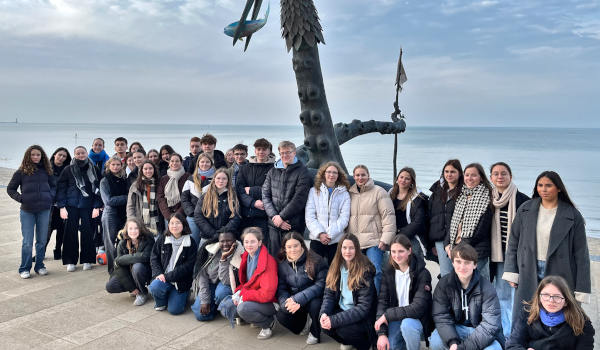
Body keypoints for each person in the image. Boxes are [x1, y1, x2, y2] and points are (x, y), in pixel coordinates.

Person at [503, 171, 591, 323]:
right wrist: (511, 271)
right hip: (528, 268)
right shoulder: (525, 209)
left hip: (561, 271)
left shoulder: (573, 215)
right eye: (540, 185)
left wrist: (581, 289)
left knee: (557, 315)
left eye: (548, 185)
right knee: (526, 314)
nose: (543, 189)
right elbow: (513, 242)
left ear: (558, 188)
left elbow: (581, 255)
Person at [429, 243, 504, 350]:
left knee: (495, 349)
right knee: (435, 341)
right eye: (458, 262)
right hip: (456, 328)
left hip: (479, 331)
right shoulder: (444, 285)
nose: (462, 267)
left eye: (467, 263)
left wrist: (463, 348)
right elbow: (441, 316)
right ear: (453, 263)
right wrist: (452, 342)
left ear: (475, 265)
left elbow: (489, 325)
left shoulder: (487, 288)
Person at [488, 162, 529, 338]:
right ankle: (506, 333)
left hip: (517, 256)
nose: (500, 177)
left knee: (517, 297)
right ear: (491, 178)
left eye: (503, 173)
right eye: (496, 174)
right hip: (496, 256)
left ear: (510, 176)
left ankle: (515, 333)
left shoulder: (523, 201)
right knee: (501, 295)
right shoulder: (488, 200)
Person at [319, 233, 377, 350]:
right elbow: (329, 295)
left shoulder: (364, 271)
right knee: (325, 325)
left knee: (343, 330)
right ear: (340, 249)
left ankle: (365, 345)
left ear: (357, 249)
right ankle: (348, 342)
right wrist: (324, 313)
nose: (347, 251)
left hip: (362, 317)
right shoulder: (336, 267)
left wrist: (334, 320)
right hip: (343, 310)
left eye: (351, 248)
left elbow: (363, 308)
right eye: (344, 248)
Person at [375, 234, 433, 350]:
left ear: (409, 251)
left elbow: (418, 307)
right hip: (396, 318)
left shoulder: (422, 273)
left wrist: (387, 315)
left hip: (416, 319)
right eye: (393, 251)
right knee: (389, 345)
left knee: (407, 325)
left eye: (401, 251)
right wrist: (382, 334)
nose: (396, 255)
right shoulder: (388, 272)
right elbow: (382, 302)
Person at [506, 275, 595, 350]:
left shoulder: (581, 321)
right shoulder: (527, 313)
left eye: (557, 297)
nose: (551, 301)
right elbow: (512, 345)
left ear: (566, 301)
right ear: (539, 296)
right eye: (546, 295)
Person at [7, 145, 55, 279]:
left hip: (44, 210)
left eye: (38, 155)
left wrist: (50, 197)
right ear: (28, 156)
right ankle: (24, 268)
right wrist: (21, 198)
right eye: (33, 154)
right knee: (27, 242)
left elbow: (54, 186)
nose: (35, 157)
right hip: (27, 211)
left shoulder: (47, 171)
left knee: (41, 241)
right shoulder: (21, 172)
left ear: (42, 156)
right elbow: (11, 189)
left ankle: (39, 266)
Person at [347, 164, 396, 293]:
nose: (360, 177)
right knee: (356, 274)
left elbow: (388, 216)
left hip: (374, 241)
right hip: (355, 243)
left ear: (368, 175)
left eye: (363, 174)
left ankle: (377, 304)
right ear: (354, 176)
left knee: (376, 272)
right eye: (357, 175)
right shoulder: (350, 194)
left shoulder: (379, 192)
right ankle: (360, 304)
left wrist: (385, 239)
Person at [276, 232, 328, 345]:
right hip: (295, 300)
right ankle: (303, 325)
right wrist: (285, 302)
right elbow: (281, 288)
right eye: (289, 247)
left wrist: (298, 298)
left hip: (312, 298)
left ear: (302, 245)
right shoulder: (283, 265)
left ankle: (315, 331)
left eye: (296, 245)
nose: (293, 249)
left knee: (315, 304)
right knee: (281, 314)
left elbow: (321, 285)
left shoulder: (316, 260)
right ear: (284, 249)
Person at [56, 146, 102, 272]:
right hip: (71, 206)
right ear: (74, 155)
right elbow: (61, 189)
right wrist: (62, 207)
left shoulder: (94, 169)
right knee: (70, 233)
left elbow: (98, 189)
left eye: (83, 153)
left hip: (88, 206)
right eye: (78, 153)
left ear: (87, 154)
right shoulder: (68, 169)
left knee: (88, 233)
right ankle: (71, 261)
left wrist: (97, 206)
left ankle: (87, 259)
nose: (81, 155)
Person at [262, 141, 312, 255]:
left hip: (292, 225)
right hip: (274, 225)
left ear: (294, 153)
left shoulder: (303, 172)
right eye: (282, 153)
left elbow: (299, 198)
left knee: (292, 260)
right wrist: (275, 217)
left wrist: (282, 217)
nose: (285, 155)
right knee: (275, 259)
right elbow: (265, 195)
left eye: (288, 152)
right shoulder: (272, 171)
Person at [445, 163, 493, 281]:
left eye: (473, 175)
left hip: (476, 250)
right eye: (467, 175)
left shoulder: (487, 195)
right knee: (461, 283)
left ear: (481, 177)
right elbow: (453, 224)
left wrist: (459, 248)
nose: (469, 178)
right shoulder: (462, 195)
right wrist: (448, 244)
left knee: (476, 283)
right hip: (457, 247)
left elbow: (482, 230)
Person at [232, 227, 278, 339]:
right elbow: (247, 284)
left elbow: (267, 294)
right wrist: (238, 293)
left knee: (243, 309)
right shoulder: (247, 256)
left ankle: (267, 324)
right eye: (246, 242)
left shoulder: (268, 261)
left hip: (271, 302)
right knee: (227, 305)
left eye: (253, 241)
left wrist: (244, 296)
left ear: (260, 242)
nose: (249, 245)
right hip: (255, 297)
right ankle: (254, 317)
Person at [149, 212, 198, 315]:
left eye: (178, 223)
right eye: (172, 223)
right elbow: (154, 257)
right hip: (163, 278)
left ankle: (182, 294)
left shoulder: (191, 243)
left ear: (184, 224)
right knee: (154, 286)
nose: (174, 226)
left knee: (175, 310)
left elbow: (188, 267)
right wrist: (158, 273)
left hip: (180, 281)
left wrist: (167, 276)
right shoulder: (162, 239)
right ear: (168, 225)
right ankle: (161, 303)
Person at [190, 231, 244, 321]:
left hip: (226, 286)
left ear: (235, 241)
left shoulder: (240, 254)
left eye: (229, 241)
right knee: (201, 316)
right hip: (209, 284)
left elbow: (226, 281)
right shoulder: (210, 251)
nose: (225, 244)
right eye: (222, 241)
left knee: (221, 293)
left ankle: (223, 307)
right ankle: (215, 308)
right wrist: (204, 301)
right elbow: (202, 276)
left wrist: (224, 259)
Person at [305, 161, 351, 264]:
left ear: (338, 175)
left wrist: (330, 235)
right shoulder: (313, 191)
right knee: (315, 271)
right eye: (329, 172)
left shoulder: (344, 194)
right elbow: (310, 216)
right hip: (317, 239)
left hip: (336, 241)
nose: (331, 175)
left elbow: (344, 218)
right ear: (323, 174)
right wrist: (320, 233)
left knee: (334, 272)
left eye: (335, 172)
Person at [105, 218, 154, 306]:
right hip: (130, 273)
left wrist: (121, 259)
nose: (133, 231)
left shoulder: (148, 239)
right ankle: (135, 289)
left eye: (136, 228)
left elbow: (145, 256)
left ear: (140, 229)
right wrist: (131, 287)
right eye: (130, 228)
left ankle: (142, 293)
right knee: (110, 286)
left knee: (137, 267)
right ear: (126, 230)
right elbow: (119, 267)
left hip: (146, 272)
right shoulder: (122, 243)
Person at [428, 159, 463, 277]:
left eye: (453, 172)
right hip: (440, 239)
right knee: (445, 273)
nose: (449, 174)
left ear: (459, 173)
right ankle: (447, 295)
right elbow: (431, 216)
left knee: (460, 272)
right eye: (446, 171)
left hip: (458, 239)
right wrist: (431, 243)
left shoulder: (464, 191)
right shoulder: (437, 190)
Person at [235, 138, 275, 235]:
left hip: (264, 214)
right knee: (246, 245)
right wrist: (252, 203)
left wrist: (252, 190)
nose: (261, 152)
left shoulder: (274, 169)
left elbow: (273, 190)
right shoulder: (245, 168)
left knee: (262, 245)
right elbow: (239, 190)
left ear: (269, 151)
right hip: (245, 214)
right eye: (258, 149)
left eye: (264, 149)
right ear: (255, 150)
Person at [390, 167, 428, 261]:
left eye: (407, 178)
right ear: (397, 179)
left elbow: (418, 222)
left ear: (412, 182)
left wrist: (401, 234)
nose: (403, 180)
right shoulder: (390, 194)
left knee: (415, 265)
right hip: (393, 235)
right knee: (394, 265)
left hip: (411, 236)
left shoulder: (418, 198)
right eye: (401, 177)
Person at [194, 169, 241, 245]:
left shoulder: (233, 197)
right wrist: (213, 234)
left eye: (224, 178)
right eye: (218, 178)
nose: (221, 181)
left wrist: (223, 233)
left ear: (228, 180)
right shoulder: (205, 197)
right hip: (207, 237)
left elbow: (236, 217)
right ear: (214, 179)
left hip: (226, 239)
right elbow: (198, 216)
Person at [99, 156, 129, 274]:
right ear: (108, 166)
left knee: (123, 242)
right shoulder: (104, 181)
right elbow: (108, 201)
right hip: (110, 215)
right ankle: (113, 271)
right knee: (110, 243)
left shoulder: (124, 179)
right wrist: (126, 198)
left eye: (118, 165)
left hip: (123, 214)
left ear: (121, 166)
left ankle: (124, 267)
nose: (115, 167)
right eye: (113, 165)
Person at [182, 153, 215, 244]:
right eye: (202, 162)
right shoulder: (191, 179)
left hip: (209, 217)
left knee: (206, 244)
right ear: (198, 163)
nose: (204, 164)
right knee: (193, 243)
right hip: (193, 217)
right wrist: (191, 212)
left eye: (207, 162)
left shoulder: (216, 179)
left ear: (211, 163)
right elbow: (184, 198)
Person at [46, 147, 71, 260]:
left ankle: (57, 251)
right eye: (59, 155)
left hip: (63, 205)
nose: (61, 158)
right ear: (54, 154)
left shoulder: (68, 169)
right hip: (49, 204)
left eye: (64, 156)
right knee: (46, 230)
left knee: (62, 230)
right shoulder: (46, 168)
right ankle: (41, 252)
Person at [127, 160, 160, 236]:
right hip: (140, 222)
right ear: (141, 170)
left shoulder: (159, 183)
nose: (148, 171)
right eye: (145, 169)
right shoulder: (135, 186)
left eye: (150, 168)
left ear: (154, 170)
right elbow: (130, 206)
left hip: (157, 220)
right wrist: (131, 221)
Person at [157, 153, 190, 225]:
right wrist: (168, 215)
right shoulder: (164, 178)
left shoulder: (188, 177)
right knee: (169, 235)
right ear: (169, 163)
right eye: (172, 161)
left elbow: (188, 197)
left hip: (183, 215)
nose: (174, 163)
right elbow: (160, 197)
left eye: (177, 161)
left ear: (181, 163)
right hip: (168, 215)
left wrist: (178, 214)